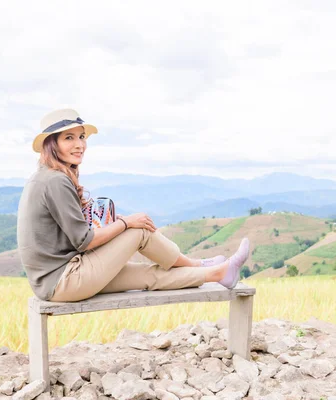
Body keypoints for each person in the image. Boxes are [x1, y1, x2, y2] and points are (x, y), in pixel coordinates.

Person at [17, 108, 250, 302]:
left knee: (149, 276)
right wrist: (125, 223)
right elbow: (84, 241)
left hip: (56, 282)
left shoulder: (46, 176)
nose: (79, 144)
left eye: (81, 137)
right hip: (66, 280)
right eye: (69, 138)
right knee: (138, 229)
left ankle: (218, 273)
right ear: (52, 145)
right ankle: (197, 262)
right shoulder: (55, 180)